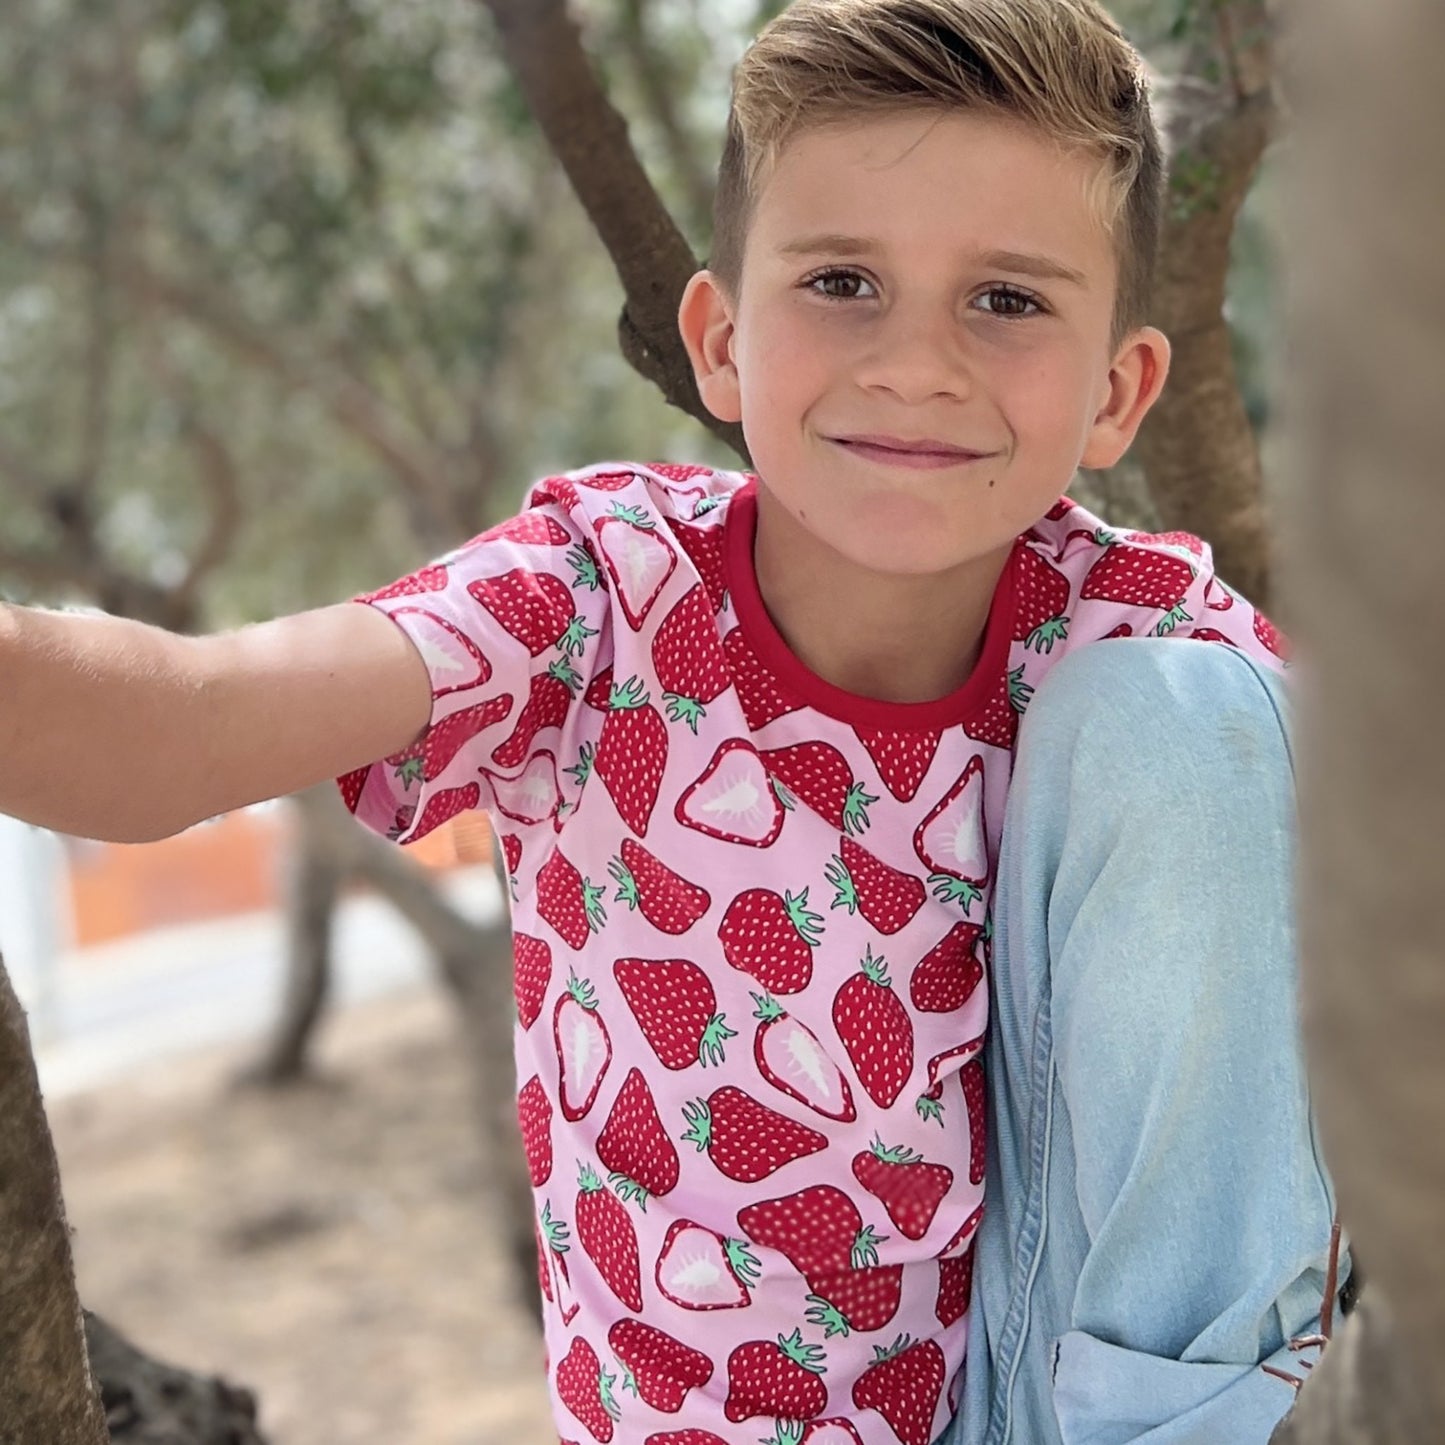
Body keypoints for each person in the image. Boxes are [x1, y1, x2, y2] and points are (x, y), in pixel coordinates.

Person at [0, 2, 1344, 1442]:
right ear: (718, 340)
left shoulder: (1131, 624)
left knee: (1211, 722)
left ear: (1118, 393)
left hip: (1060, 1397)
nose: (917, 361)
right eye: (841, 281)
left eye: (1006, 300)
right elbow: (189, 727)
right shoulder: (597, 598)